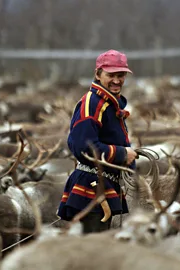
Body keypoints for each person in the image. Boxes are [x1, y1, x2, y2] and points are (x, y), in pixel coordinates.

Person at [57, 49, 138, 233]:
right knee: (93, 249)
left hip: (103, 184)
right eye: (111, 75)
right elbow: (83, 147)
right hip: (91, 188)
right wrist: (122, 154)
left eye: (121, 75)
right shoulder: (92, 103)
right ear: (98, 74)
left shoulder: (108, 103)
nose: (117, 80)